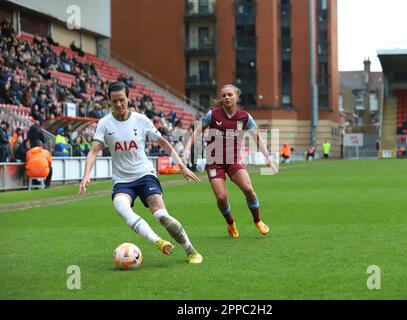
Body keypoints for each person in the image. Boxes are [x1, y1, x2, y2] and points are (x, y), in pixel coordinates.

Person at [79, 81, 203, 264]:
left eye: (122, 100)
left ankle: (191, 250)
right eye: (114, 102)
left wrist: (182, 166)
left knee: (161, 216)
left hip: (145, 175)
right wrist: (86, 175)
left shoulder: (141, 120)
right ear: (109, 102)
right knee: (121, 206)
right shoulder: (104, 124)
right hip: (122, 180)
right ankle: (158, 242)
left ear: (128, 98)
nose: (119, 104)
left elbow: (163, 143)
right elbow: (94, 150)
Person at [183, 84, 277, 238]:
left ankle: (258, 220)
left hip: (233, 160)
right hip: (214, 162)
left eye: (230, 95)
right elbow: (196, 131)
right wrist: (187, 149)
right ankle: (230, 222)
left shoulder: (245, 117)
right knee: (221, 197)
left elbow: (257, 138)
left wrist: (268, 159)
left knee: (248, 189)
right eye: (224, 95)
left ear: (236, 97)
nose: (226, 97)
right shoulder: (212, 115)